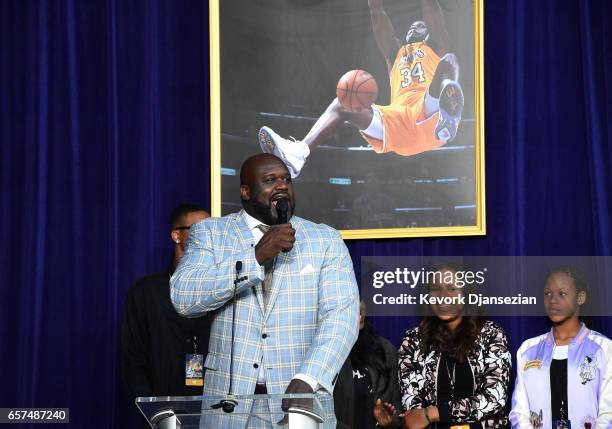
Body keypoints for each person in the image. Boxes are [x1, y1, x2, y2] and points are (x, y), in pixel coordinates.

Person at [170, 154, 359, 427]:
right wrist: (255, 258)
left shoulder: (324, 239)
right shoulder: (211, 233)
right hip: (229, 408)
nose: (281, 186)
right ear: (245, 191)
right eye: (270, 180)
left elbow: (342, 316)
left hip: (298, 406)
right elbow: (183, 296)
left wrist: (309, 377)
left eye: (286, 179)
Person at [258, 0, 464, 178]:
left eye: (419, 25)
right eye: (411, 26)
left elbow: (431, 8)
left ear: (428, 33)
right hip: (399, 122)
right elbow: (377, 12)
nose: (413, 27)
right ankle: (298, 153)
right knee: (344, 103)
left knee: (449, 61)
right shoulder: (394, 54)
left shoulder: (437, 45)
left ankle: (448, 117)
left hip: (429, 116)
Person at [389, 263, 511, 429]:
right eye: (436, 288)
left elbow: (495, 398)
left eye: (452, 288)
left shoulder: (491, 334)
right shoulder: (413, 340)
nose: (443, 295)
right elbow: (413, 410)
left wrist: (432, 413)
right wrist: (423, 415)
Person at [120, 204, 211, 400]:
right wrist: (154, 409)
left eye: (211, 229)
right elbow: (132, 359)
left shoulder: (221, 289)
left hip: (212, 409)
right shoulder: (147, 291)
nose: (208, 236)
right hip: (160, 407)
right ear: (176, 235)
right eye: (199, 229)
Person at [510, 267, 612, 429]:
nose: (553, 300)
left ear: (580, 297)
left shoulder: (604, 348)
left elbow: (609, 413)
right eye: (547, 294)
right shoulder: (528, 349)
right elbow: (519, 412)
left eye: (562, 294)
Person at [334, 300, 402, 429]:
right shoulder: (322, 354)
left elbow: (398, 411)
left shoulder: (385, 350)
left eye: (358, 297)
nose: (359, 307)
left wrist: (389, 422)